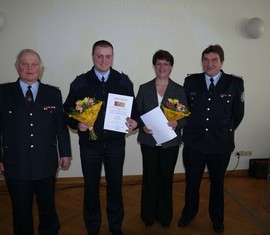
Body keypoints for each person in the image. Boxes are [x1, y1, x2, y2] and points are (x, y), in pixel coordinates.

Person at [63, 40, 138, 235]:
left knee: (115, 185)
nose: (104, 60)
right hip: (89, 145)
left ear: (112, 57)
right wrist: (76, 124)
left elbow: (135, 111)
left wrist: (134, 122)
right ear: (92, 56)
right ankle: (93, 227)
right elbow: (68, 112)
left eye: (108, 56)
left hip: (115, 144)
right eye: (99, 56)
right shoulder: (80, 82)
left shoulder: (123, 81)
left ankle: (115, 226)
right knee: (90, 187)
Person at [0, 49, 72, 235]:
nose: (29, 68)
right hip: (15, 164)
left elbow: (60, 127)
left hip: (45, 162)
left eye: (34, 64)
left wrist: (65, 152)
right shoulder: (3, 92)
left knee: (47, 208)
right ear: (17, 67)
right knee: (21, 210)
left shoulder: (53, 93)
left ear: (41, 68)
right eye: (24, 63)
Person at [178, 45, 245, 233]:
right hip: (194, 143)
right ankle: (188, 214)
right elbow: (185, 109)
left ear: (221, 62)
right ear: (202, 62)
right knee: (192, 182)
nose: (209, 64)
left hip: (220, 144)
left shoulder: (234, 83)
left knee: (217, 183)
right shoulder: (191, 81)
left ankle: (217, 219)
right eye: (206, 60)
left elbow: (238, 114)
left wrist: (223, 130)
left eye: (214, 60)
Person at [136, 50, 188, 228]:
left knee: (166, 178)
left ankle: (165, 216)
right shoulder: (144, 88)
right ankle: (148, 215)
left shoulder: (179, 90)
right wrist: (142, 126)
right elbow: (137, 113)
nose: (162, 67)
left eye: (166, 64)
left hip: (170, 143)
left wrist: (177, 123)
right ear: (154, 66)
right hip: (149, 142)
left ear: (171, 67)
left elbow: (186, 117)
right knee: (150, 178)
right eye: (159, 63)